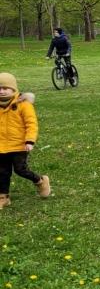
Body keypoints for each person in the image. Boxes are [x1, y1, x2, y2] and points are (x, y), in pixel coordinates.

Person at [0, 72, 51, 207]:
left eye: (5, 88)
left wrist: (29, 141)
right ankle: (3, 197)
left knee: (20, 169)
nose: (2, 91)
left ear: (13, 89)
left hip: (19, 145)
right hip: (1, 146)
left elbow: (31, 124)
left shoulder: (23, 104)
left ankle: (40, 181)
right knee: (2, 172)